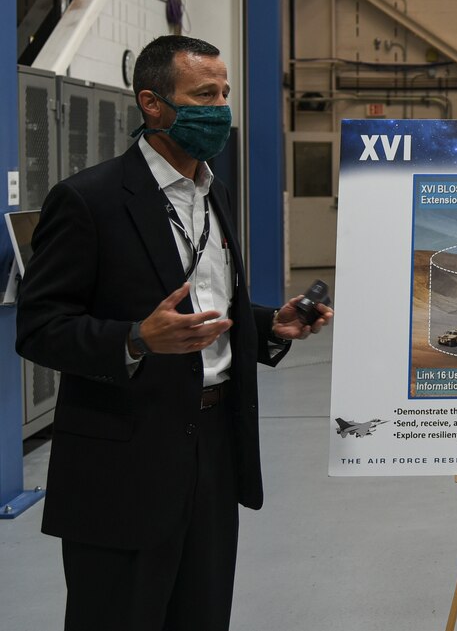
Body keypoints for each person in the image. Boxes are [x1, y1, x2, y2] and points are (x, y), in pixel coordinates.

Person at [15, 35, 333, 631]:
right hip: (124, 458)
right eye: (205, 95)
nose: (221, 109)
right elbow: (39, 329)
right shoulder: (87, 200)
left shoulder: (214, 193)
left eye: (225, 94)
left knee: (202, 614)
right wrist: (136, 338)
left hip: (213, 445)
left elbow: (210, 301)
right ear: (152, 103)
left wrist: (270, 322)